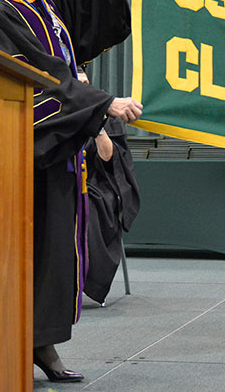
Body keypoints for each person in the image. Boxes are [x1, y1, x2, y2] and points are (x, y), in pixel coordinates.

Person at [0, 0, 143, 382]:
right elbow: (42, 74)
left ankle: (40, 341)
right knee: (29, 250)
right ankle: (15, 342)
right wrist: (103, 104)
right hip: (24, 151)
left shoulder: (43, 4)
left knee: (53, 252)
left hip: (56, 151)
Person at [77, 67, 141, 305]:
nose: (83, 85)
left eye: (86, 82)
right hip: (63, 180)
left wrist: (96, 126)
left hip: (96, 183)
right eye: (77, 82)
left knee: (86, 205)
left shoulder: (106, 116)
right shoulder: (59, 112)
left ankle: (85, 279)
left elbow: (108, 158)